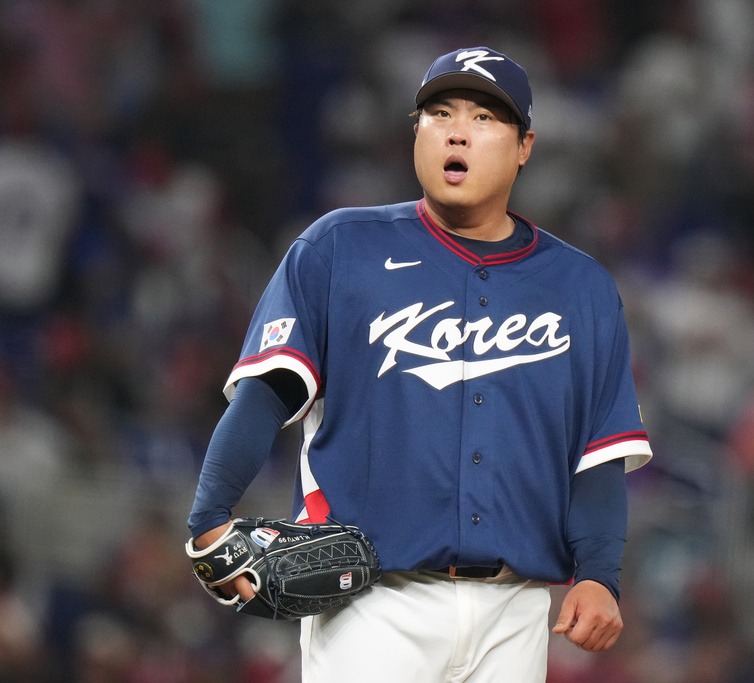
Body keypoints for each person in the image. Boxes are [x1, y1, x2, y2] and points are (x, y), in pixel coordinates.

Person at [186, 46, 653, 682]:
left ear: (525, 146)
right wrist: (209, 516)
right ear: (416, 134)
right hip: (371, 606)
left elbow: (596, 457)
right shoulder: (339, 248)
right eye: (440, 112)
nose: (457, 129)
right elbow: (267, 393)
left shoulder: (581, 288)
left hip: (514, 613)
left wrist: (599, 576)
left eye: (485, 117)